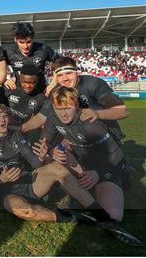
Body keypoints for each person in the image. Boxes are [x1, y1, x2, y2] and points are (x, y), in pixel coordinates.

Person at [0, 103, 140, 248]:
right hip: (7, 191)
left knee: (57, 168)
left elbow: (34, 164)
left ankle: (100, 215)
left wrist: (40, 157)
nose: (2, 120)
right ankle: (79, 217)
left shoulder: (16, 135)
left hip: (29, 181)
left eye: (4, 116)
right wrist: (1, 179)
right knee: (25, 211)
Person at [39, 87, 141, 246]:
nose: (63, 113)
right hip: (82, 163)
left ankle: (121, 178)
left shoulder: (91, 124)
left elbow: (117, 155)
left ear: (77, 106)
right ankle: (80, 191)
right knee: (50, 159)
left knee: (113, 216)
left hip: (106, 166)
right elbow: (45, 140)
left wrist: (98, 174)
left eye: (67, 108)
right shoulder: (53, 117)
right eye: (59, 109)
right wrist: (50, 150)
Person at [22, 57, 128, 143]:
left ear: (76, 72)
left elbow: (123, 111)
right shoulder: (57, 91)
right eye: (60, 75)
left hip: (106, 138)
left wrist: (97, 114)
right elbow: (41, 117)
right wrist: (21, 129)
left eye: (68, 73)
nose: (65, 78)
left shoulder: (92, 84)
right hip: (79, 138)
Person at [5, 22, 59, 92]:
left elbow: (60, 64)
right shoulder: (9, 52)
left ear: (33, 38)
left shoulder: (43, 49)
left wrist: (53, 83)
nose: (26, 46)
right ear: (15, 39)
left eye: (28, 42)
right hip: (18, 91)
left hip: (41, 91)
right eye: (21, 42)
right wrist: (5, 79)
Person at [0, 64, 45, 132]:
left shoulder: (40, 97)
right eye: (25, 82)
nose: (28, 86)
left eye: (32, 82)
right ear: (20, 79)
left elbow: (41, 120)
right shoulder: (9, 88)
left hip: (20, 131)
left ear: (37, 80)